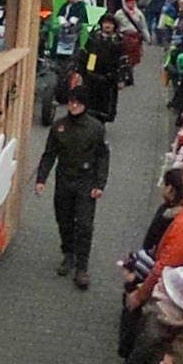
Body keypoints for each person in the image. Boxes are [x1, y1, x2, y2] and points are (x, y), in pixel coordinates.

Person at [37, 96, 113, 290]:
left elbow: (103, 156)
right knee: (64, 219)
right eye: (71, 102)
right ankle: (68, 254)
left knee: (85, 225)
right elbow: (49, 154)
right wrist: (41, 179)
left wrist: (100, 184)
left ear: (85, 105)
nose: (74, 105)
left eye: (78, 102)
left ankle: (82, 267)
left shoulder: (95, 128)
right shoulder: (59, 126)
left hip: (86, 181)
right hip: (64, 179)